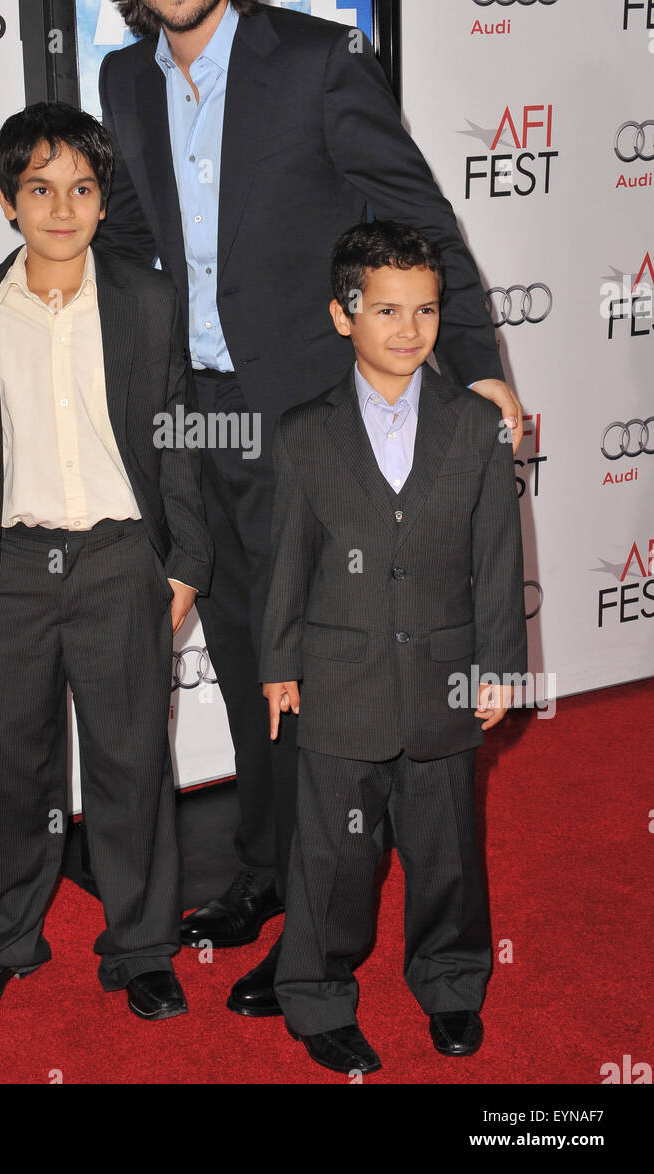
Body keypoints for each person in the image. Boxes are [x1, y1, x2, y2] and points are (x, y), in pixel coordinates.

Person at [94, 0, 522, 1017]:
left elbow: (418, 218)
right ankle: (265, 875)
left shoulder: (318, 62)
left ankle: (327, 918)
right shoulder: (123, 84)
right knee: (250, 658)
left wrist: (479, 363)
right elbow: (133, 249)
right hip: (204, 417)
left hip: (311, 420)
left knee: (336, 676)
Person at [0, 101, 212, 1021]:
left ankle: (142, 948)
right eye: (38, 188)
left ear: (101, 200)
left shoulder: (147, 300)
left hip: (121, 562)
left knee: (131, 764)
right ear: (7, 201)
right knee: (9, 770)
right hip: (8, 569)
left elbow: (177, 437)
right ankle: (4, 940)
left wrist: (185, 562)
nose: (60, 207)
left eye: (80, 188)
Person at [260, 221, 526, 1074]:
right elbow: (286, 561)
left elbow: (496, 558)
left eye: (424, 310)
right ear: (344, 316)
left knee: (447, 845)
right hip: (340, 682)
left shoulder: (474, 425)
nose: (408, 330)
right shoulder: (304, 432)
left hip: (445, 677)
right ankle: (316, 995)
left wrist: (498, 665)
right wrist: (278, 665)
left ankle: (451, 984)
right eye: (385, 310)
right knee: (332, 858)